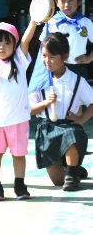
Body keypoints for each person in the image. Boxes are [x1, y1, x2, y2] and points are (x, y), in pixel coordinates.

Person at [0, 20, 37, 201]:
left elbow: (26, 40)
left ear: (15, 45)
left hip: (19, 120)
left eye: (7, 43)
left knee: (19, 155)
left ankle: (20, 185)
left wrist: (34, 20)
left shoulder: (20, 60)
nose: (2, 47)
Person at [29, 32, 92, 191]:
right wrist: (45, 102)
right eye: (44, 56)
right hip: (47, 130)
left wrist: (82, 119)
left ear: (65, 56)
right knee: (57, 181)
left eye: (52, 57)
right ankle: (74, 170)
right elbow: (29, 110)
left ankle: (71, 173)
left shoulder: (76, 80)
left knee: (69, 134)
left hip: (69, 126)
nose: (46, 61)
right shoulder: (39, 81)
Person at [36, 0, 93, 79]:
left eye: (71, 0)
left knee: (78, 94)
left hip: (79, 68)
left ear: (79, 1)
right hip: (57, 68)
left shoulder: (86, 23)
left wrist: (89, 58)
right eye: (63, 1)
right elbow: (43, 45)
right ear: (56, 2)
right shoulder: (52, 22)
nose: (67, 5)